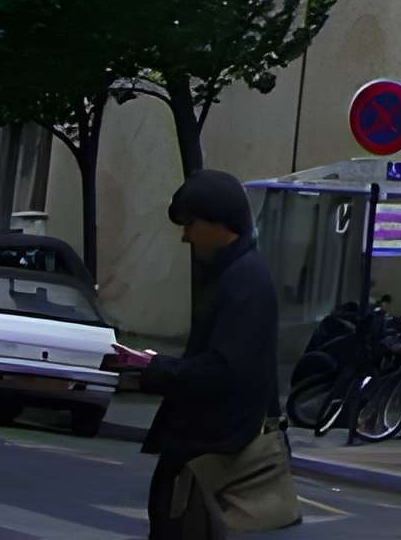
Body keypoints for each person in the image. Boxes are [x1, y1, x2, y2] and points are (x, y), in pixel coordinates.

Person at [120, 170, 294, 540]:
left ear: (220, 224)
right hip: (207, 445)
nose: (185, 235)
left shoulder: (243, 279)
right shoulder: (234, 272)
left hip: (214, 449)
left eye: (191, 224)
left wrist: (158, 368)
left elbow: (225, 369)